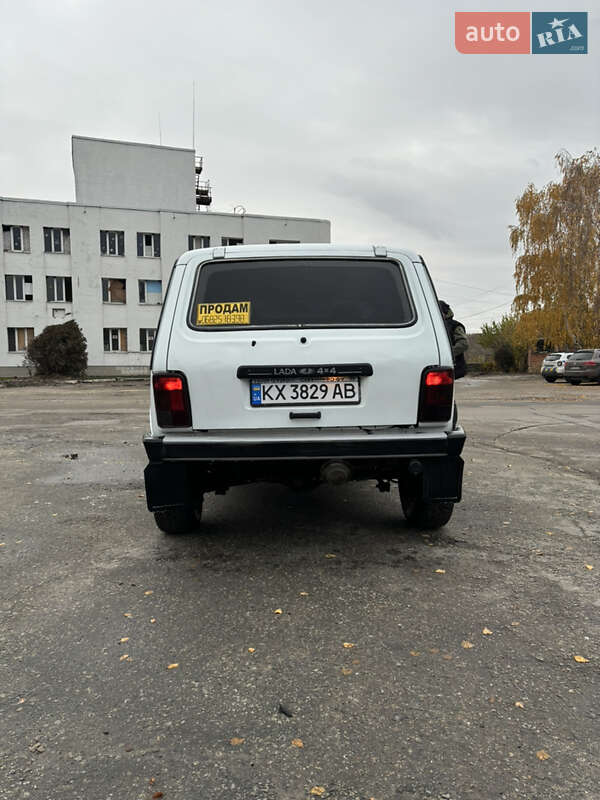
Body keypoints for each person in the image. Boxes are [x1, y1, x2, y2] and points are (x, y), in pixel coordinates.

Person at [439, 300, 468, 379]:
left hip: (455, 368)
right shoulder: (436, 326)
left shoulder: (454, 325)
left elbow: (463, 344)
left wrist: (448, 354)